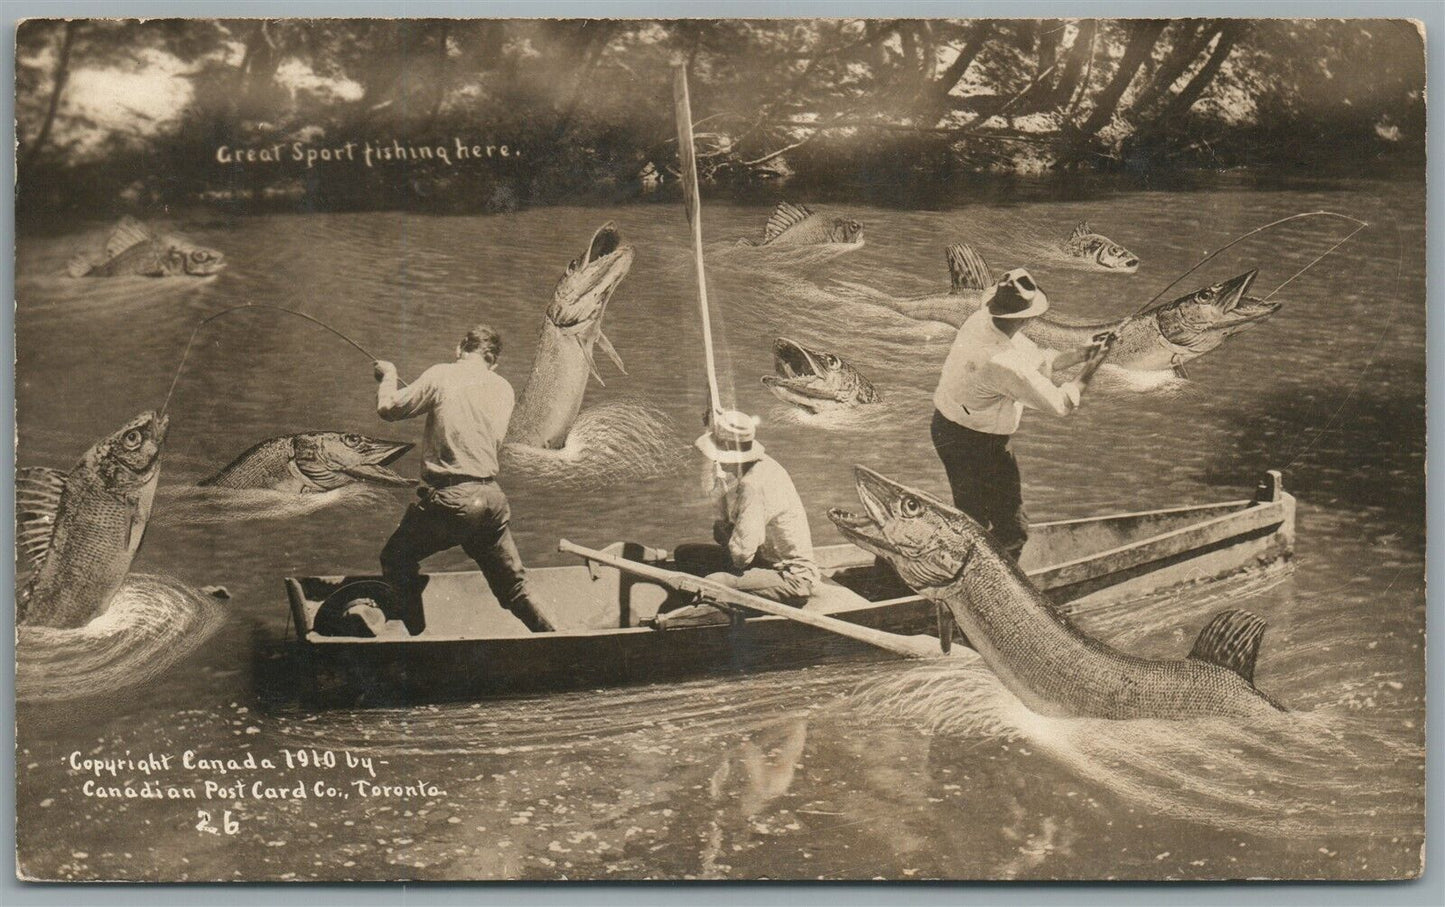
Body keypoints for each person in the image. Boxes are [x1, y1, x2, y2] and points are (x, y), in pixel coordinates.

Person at [373, 324, 555, 634]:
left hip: (453, 500)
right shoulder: (503, 388)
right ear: (493, 361)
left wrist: (388, 376)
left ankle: (415, 640)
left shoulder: (442, 373)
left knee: (396, 557)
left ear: (460, 349)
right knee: (513, 587)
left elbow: (388, 409)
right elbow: (489, 439)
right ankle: (556, 638)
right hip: (491, 500)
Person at [930, 268, 1110, 561]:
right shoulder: (1005, 363)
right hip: (982, 445)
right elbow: (1062, 403)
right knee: (1013, 531)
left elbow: (1034, 361)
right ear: (1026, 318)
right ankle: (995, 587)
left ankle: (959, 566)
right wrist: (1094, 365)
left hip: (945, 429)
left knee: (972, 518)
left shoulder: (980, 321)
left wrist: (1082, 353)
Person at [655, 410, 820, 627]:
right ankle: (711, 607)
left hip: (793, 579)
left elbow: (741, 556)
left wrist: (725, 534)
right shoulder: (762, 465)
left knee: (713, 583)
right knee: (686, 554)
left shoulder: (752, 485)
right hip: (765, 560)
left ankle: (703, 618)